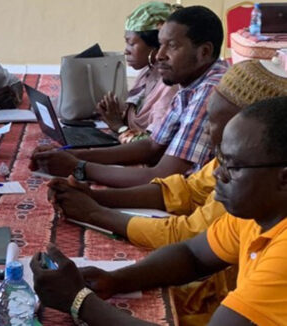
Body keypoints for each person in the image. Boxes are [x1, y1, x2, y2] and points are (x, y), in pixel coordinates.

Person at [48, 59, 287, 325]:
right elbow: (193, 255)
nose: (219, 172)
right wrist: (116, 279)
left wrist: (79, 301)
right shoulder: (257, 213)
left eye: (232, 166)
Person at [31, 6, 227, 188]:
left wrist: (78, 168)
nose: (159, 55)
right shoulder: (191, 82)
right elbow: (152, 146)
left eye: (172, 46)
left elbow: (163, 177)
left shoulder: (209, 91)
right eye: (160, 45)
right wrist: (71, 154)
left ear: (204, 52)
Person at [97, 1, 179, 143]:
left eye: (131, 43)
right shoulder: (147, 72)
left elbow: (152, 144)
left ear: (157, 44)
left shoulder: (169, 85)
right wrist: (112, 113)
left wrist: (120, 127)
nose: (126, 51)